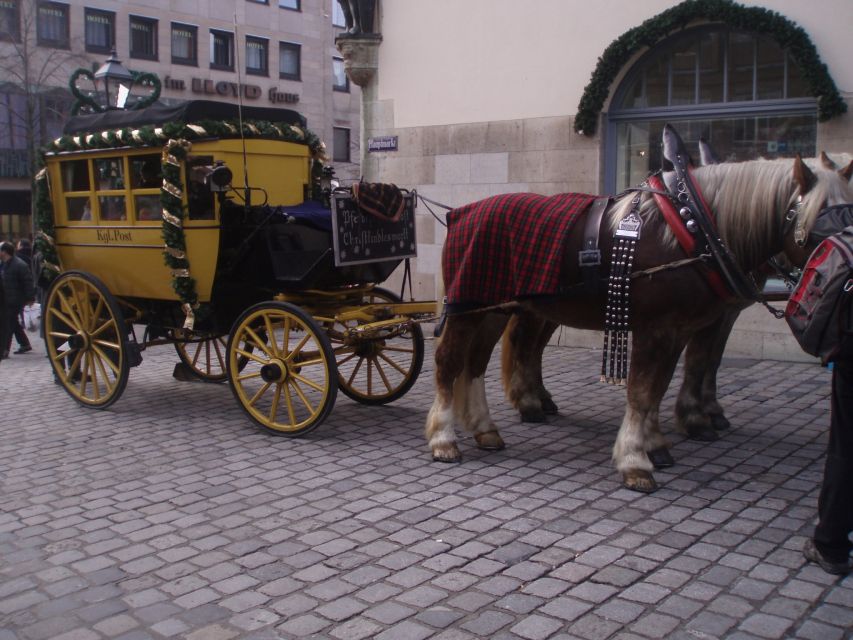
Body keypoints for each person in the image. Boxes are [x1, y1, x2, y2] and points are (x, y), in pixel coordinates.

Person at [0, 241, 34, 357]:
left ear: (4, 252)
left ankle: (4, 350)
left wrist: (30, 298)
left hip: (15, 299)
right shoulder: (3, 263)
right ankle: (25, 344)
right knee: (13, 323)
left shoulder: (19, 264)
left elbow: (28, 282)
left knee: (8, 323)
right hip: (6, 298)